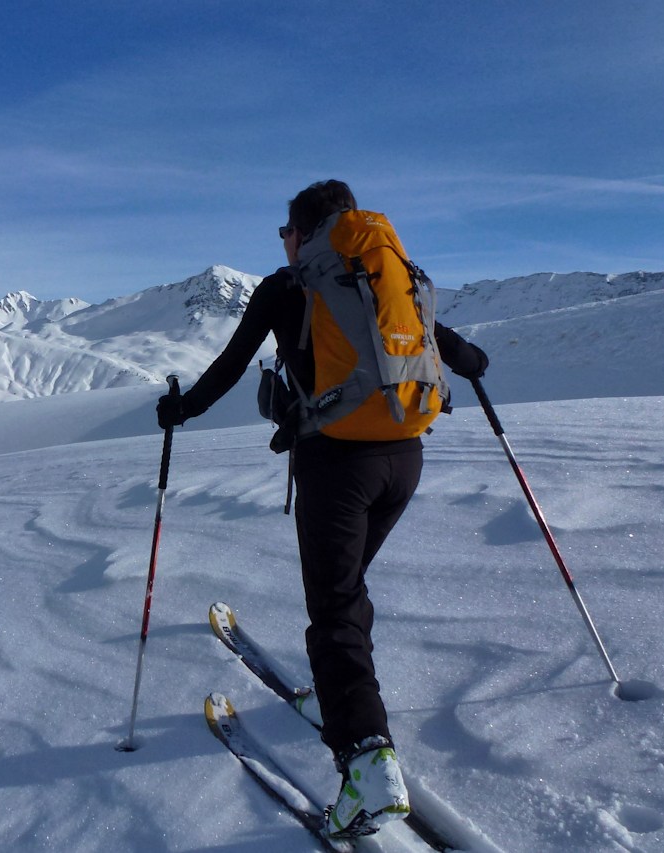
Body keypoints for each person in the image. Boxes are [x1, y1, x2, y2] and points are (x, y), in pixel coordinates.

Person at [157, 180, 488, 838]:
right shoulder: (387, 276)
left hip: (338, 466)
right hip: (405, 459)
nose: (283, 243)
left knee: (333, 607)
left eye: (285, 231)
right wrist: (473, 360)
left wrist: (180, 409)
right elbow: (457, 350)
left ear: (304, 232)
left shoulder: (290, 286)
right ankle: (339, 701)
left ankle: (367, 762)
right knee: (346, 589)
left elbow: (229, 366)